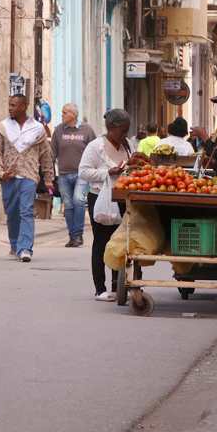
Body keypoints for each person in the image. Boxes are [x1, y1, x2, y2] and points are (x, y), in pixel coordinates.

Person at [0, 94, 55, 262]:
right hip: (8, 177)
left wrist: (48, 177)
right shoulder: (2, 127)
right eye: (9, 105)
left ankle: (25, 248)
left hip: (29, 176)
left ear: (24, 106)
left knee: (26, 211)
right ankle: (14, 244)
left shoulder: (38, 129)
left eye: (14, 105)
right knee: (12, 212)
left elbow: (46, 155)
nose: (10, 108)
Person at [78, 109, 132, 300]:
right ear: (111, 128)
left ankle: (117, 285)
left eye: (127, 130)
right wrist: (107, 173)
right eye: (122, 130)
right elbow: (83, 172)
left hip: (122, 198)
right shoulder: (95, 147)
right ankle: (100, 288)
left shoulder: (127, 145)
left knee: (119, 243)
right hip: (100, 197)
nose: (125, 134)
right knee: (101, 242)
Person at [51, 103, 96, 248]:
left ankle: (78, 235)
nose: (62, 115)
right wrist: (49, 173)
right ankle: (72, 235)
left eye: (65, 113)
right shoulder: (58, 130)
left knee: (78, 201)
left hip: (82, 174)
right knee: (68, 205)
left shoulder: (86, 130)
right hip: (63, 174)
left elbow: (94, 150)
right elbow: (52, 152)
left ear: (73, 115)